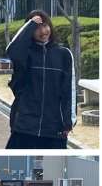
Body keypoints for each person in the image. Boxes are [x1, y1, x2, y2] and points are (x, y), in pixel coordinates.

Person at [6, 10, 76, 149]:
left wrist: (68, 122)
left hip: (54, 127)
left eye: (45, 25)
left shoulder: (64, 54)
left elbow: (69, 90)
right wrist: (30, 25)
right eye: (37, 28)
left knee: (54, 162)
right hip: (25, 125)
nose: (43, 31)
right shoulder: (25, 54)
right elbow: (12, 50)